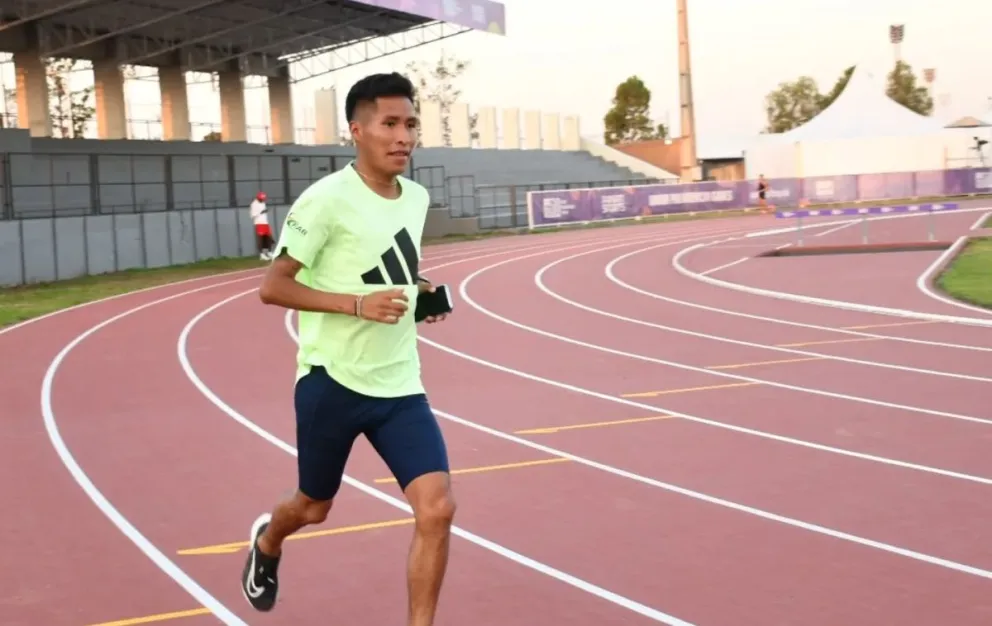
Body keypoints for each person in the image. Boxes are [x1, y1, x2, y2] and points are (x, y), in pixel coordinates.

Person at [239, 72, 454, 626]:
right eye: (390, 124)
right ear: (357, 131)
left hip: (400, 384)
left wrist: (420, 292)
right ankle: (268, 541)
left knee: (437, 509)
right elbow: (273, 287)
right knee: (313, 507)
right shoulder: (325, 200)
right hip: (331, 381)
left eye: (411, 124)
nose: (403, 136)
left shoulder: (416, 198)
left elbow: (388, 265)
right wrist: (357, 305)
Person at [250, 191, 273, 260]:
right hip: (259, 223)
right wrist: (261, 212)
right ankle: (262, 255)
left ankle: (269, 252)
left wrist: (265, 211)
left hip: (265, 223)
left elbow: (264, 212)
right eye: (261, 199)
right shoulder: (254, 204)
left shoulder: (263, 203)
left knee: (269, 238)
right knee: (260, 239)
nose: (262, 200)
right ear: (258, 198)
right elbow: (252, 215)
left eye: (263, 199)